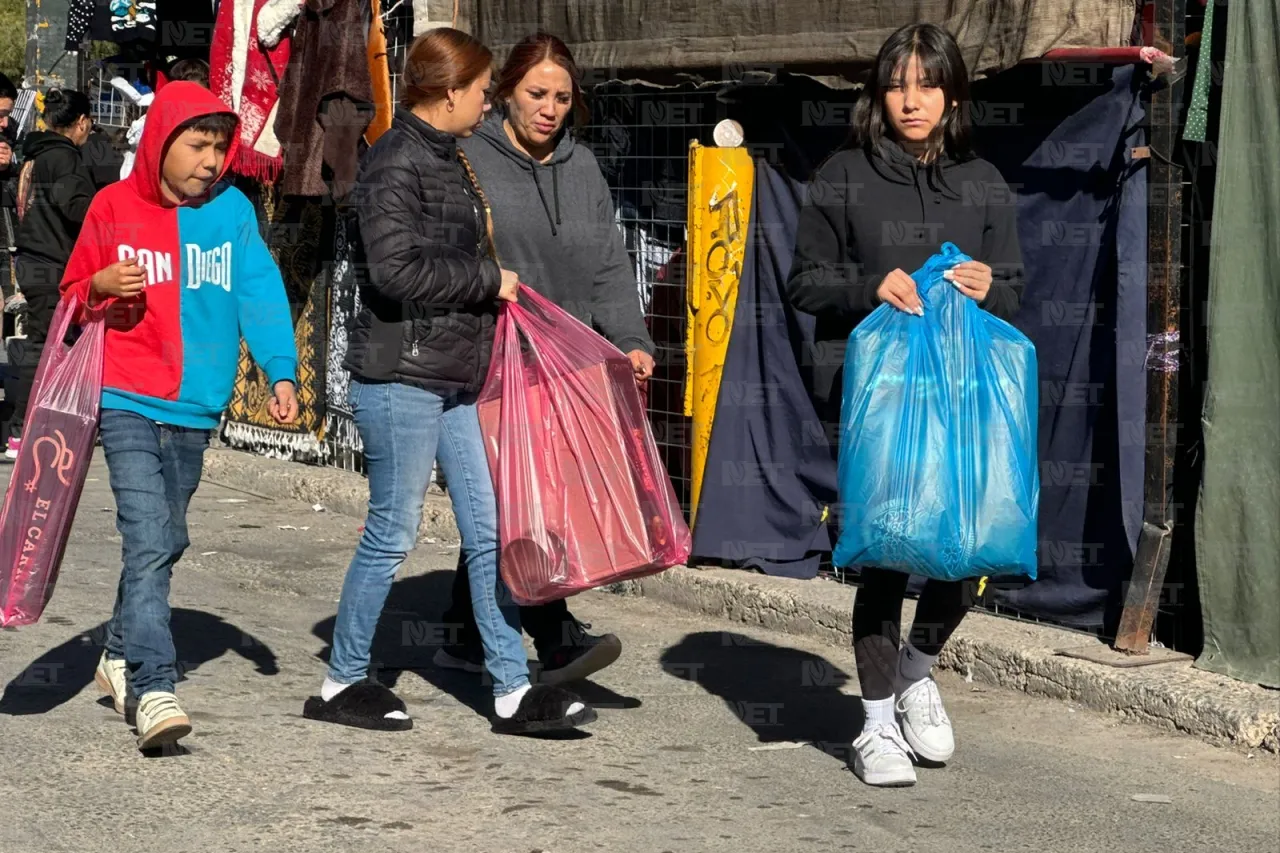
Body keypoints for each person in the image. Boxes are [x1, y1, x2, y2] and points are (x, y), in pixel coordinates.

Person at [304, 28, 595, 735]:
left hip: (455, 374)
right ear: (449, 92)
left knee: (488, 530)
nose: (488, 100)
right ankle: (343, 678)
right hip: (402, 376)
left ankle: (510, 688)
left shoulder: (449, 158)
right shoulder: (396, 162)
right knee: (393, 529)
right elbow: (395, 271)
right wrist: (489, 279)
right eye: (483, 88)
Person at [786, 23, 1024, 788]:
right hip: (878, 396)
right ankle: (875, 725)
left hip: (965, 392)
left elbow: (1017, 286)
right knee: (888, 554)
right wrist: (870, 286)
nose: (911, 99)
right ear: (878, 93)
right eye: (897, 83)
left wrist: (996, 286)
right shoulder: (842, 174)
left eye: (927, 83)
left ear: (952, 91)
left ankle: (918, 669)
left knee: (968, 545)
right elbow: (804, 282)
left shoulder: (984, 179)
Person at [60, 81, 300, 749]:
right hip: (126, 398)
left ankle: (115, 652)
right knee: (148, 535)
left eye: (221, 146)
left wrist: (279, 369)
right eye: (197, 144)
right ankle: (153, 684)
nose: (211, 159)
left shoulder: (233, 212)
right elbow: (72, 293)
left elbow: (259, 289)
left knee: (167, 537)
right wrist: (99, 286)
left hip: (197, 407)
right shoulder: (112, 207)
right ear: (161, 141)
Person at [435, 32, 656, 684]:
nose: (550, 108)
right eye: (536, 93)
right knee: (524, 504)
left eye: (562, 97)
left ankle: (461, 627)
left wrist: (631, 339)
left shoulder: (582, 168)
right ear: (504, 91)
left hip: (568, 368)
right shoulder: (468, 158)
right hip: (493, 363)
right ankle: (555, 634)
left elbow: (609, 264)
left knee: (524, 502)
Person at [7, 89, 97, 460]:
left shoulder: (37, 154)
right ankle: (21, 430)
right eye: (88, 124)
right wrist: (106, 210)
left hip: (33, 258)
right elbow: (75, 207)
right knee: (44, 345)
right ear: (80, 122)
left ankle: (37, 423)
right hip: (49, 262)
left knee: (46, 343)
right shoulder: (63, 158)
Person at [120, 59, 211, 181]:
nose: (193, 104)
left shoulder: (213, 126)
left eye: (200, 97)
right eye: (187, 95)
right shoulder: (153, 124)